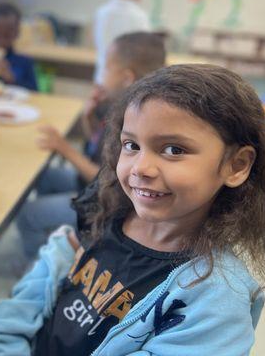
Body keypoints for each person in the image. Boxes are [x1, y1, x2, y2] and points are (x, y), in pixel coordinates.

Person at [0, 64, 265, 355]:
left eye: (173, 149)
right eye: (132, 145)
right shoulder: (108, 211)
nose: (140, 167)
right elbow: (27, 299)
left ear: (236, 165)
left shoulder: (215, 300)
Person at [17, 32, 165, 259]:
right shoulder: (119, 105)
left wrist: (64, 148)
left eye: (106, 67)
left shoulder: (134, 122)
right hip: (90, 186)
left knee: (28, 214)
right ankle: (58, 237)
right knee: (44, 176)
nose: (100, 73)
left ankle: (38, 269)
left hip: (103, 202)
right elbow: (99, 149)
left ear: (127, 77)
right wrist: (89, 120)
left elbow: (104, 178)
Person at [94, 0, 151, 85]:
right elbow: (143, 57)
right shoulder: (139, 16)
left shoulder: (102, 12)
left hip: (102, 80)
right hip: (125, 86)